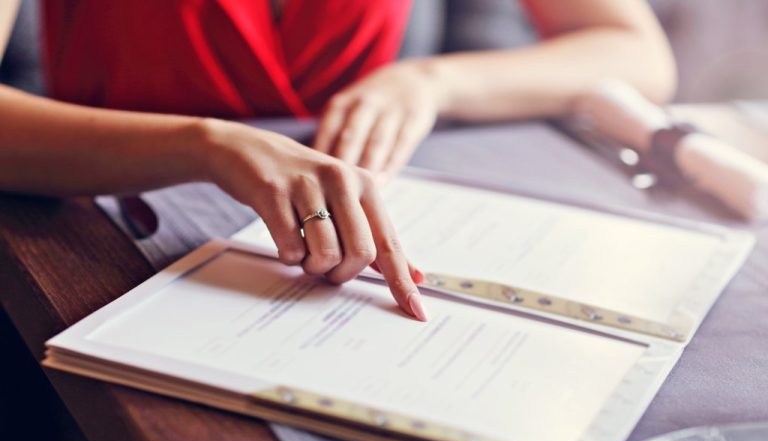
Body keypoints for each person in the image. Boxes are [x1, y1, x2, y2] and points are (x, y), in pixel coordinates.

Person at [0, 0, 676, 321]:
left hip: (362, 247)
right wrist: (202, 144)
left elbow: (634, 53)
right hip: (99, 244)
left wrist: (431, 82)